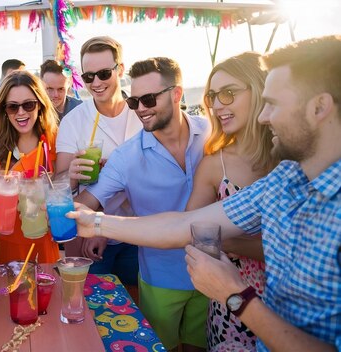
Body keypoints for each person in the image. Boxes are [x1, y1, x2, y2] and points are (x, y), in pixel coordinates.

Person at [69, 35, 341, 352]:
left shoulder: (210, 136)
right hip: (180, 283)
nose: (263, 116)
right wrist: (94, 222)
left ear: (320, 106)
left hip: (223, 294)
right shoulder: (285, 179)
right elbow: (187, 224)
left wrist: (237, 294)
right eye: (214, 96)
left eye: (273, 104)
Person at [74, 57, 209, 351]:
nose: (141, 109)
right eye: (134, 102)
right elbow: (87, 202)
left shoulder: (211, 134)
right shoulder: (126, 156)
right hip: (161, 278)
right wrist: (86, 214)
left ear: (177, 93)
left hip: (214, 272)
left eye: (148, 99)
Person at [187, 52, 279, 351]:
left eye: (228, 94)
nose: (215, 106)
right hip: (233, 305)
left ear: (261, 89)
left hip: (292, 303)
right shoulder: (215, 165)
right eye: (212, 96)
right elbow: (192, 232)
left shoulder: (292, 158)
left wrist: (226, 238)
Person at [55, 36, 142, 290]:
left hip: (138, 233)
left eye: (104, 74)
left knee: (138, 306)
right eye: (89, 76)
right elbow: (58, 187)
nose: (96, 83)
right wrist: (71, 174)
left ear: (120, 70)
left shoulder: (142, 114)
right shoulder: (74, 121)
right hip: (90, 237)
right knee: (93, 305)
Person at [0, 70, 60, 264]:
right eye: (13, 107)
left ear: (40, 105)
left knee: (48, 291)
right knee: (14, 292)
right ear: (4, 110)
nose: (21, 113)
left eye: (28, 105)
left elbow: (64, 186)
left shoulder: (53, 141)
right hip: (10, 242)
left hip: (45, 239)